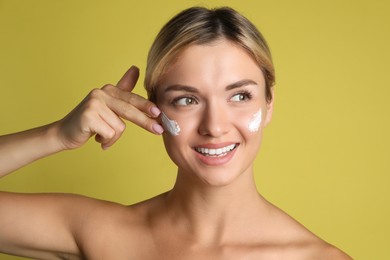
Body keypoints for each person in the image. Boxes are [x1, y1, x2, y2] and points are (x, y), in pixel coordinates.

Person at [0, 6, 351, 259]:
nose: (214, 126)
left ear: (269, 103)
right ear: (153, 107)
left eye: (240, 96)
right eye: (186, 99)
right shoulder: (103, 234)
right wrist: (56, 136)